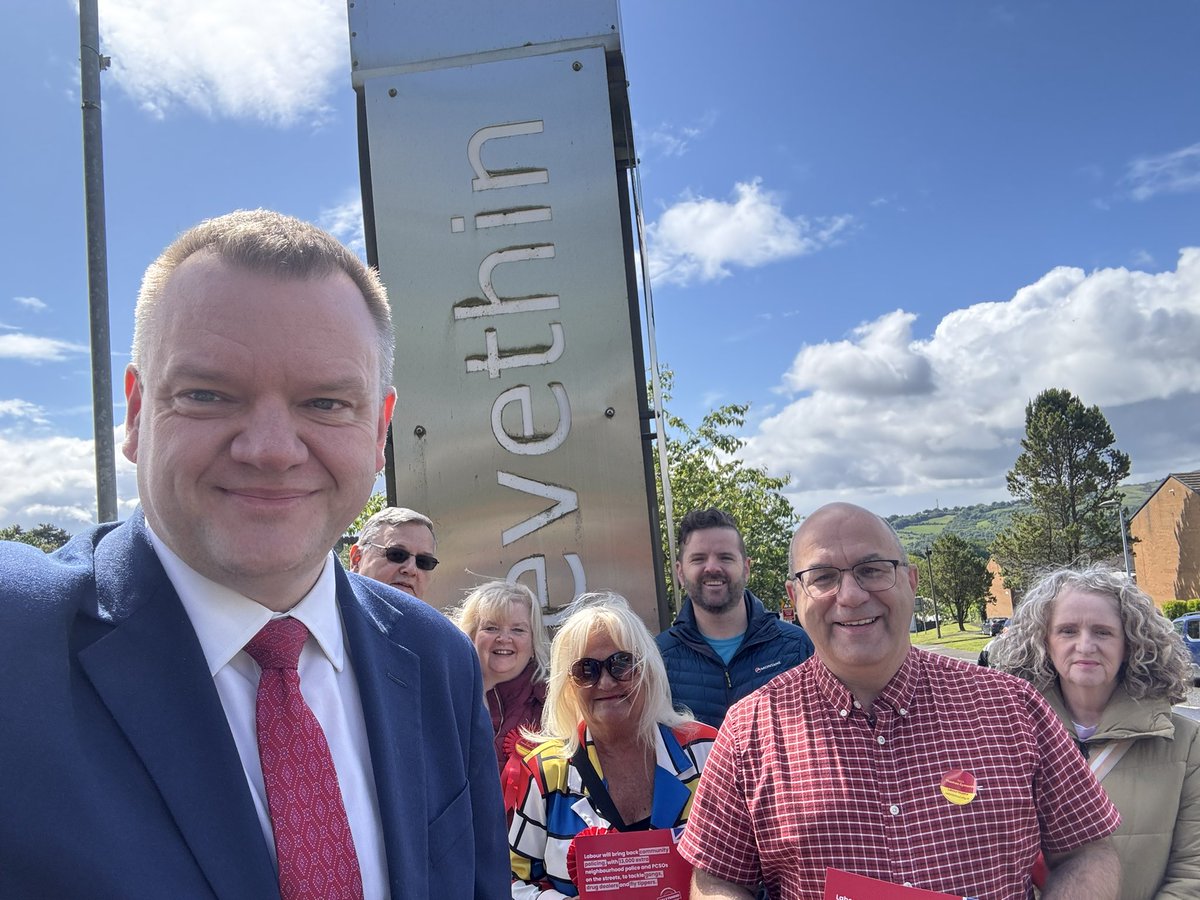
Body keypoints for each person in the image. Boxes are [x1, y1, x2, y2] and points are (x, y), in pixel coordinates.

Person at [0, 210, 508, 899]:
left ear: (381, 429)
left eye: (326, 403)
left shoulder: (437, 657)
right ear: (136, 415)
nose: (270, 448)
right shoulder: (16, 643)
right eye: (208, 394)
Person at [680, 502, 1122, 900]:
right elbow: (716, 879)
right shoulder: (748, 731)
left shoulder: (1013, 709)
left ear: (910, 582)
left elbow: (1089, 851)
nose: (850, 595)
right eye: (824, 577)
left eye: (872, 570)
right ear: (794, 599)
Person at [991, 565, 1200, 900]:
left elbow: (1193, 873)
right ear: (1044, 641)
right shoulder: (1004, 736)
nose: (1085, 646)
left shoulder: (1187, 743)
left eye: (1103, 632)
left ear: (1131, 644)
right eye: (1068, 631)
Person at [509, 592, 718, 898]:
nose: (605, 682)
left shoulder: (707, 752)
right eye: (586, 670)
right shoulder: (544, 771)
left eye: (621, 663)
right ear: (568, 687)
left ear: (648, 669)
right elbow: (513, 882)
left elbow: (748, 864)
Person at [656, 507, 814, 727]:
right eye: (699, 559)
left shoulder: (797, 647)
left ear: (746, 568)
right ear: (680, 573)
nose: (712, 567)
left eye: (725, 557)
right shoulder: (658, 659)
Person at [451, 580, 551, 772]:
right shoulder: (445, 696)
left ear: (533, 643)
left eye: (518, 630)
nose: (504, 639)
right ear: (470, 636)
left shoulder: (551, 706)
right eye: (491, 628)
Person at [349, 505, 439, 599]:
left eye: (424, 562)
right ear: (357, 559)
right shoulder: (334, 610)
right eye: (397, 555)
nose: (411, 569)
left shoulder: (432, 614)